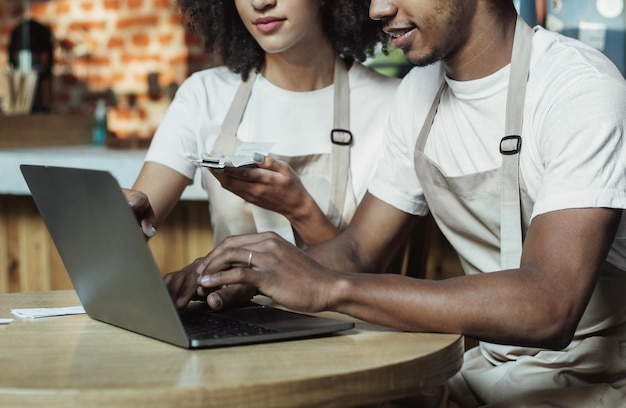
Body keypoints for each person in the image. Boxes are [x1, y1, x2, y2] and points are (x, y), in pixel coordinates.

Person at [166, 0, 626, 406]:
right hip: (482, 375)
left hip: (594, 383)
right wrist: (248, 276)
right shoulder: (419, 93)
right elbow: (358, 251)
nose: (376, 10)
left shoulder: (577, 88)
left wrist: (332, 288)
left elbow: (548, 307)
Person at [125, 0, 400, 250]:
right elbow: (130, 232)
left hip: (337, 307)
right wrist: (118, 215)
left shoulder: (392, 104)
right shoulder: (204, 94)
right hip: (224, 305)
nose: (260, 2)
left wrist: (299, 208)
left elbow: (366, 279)